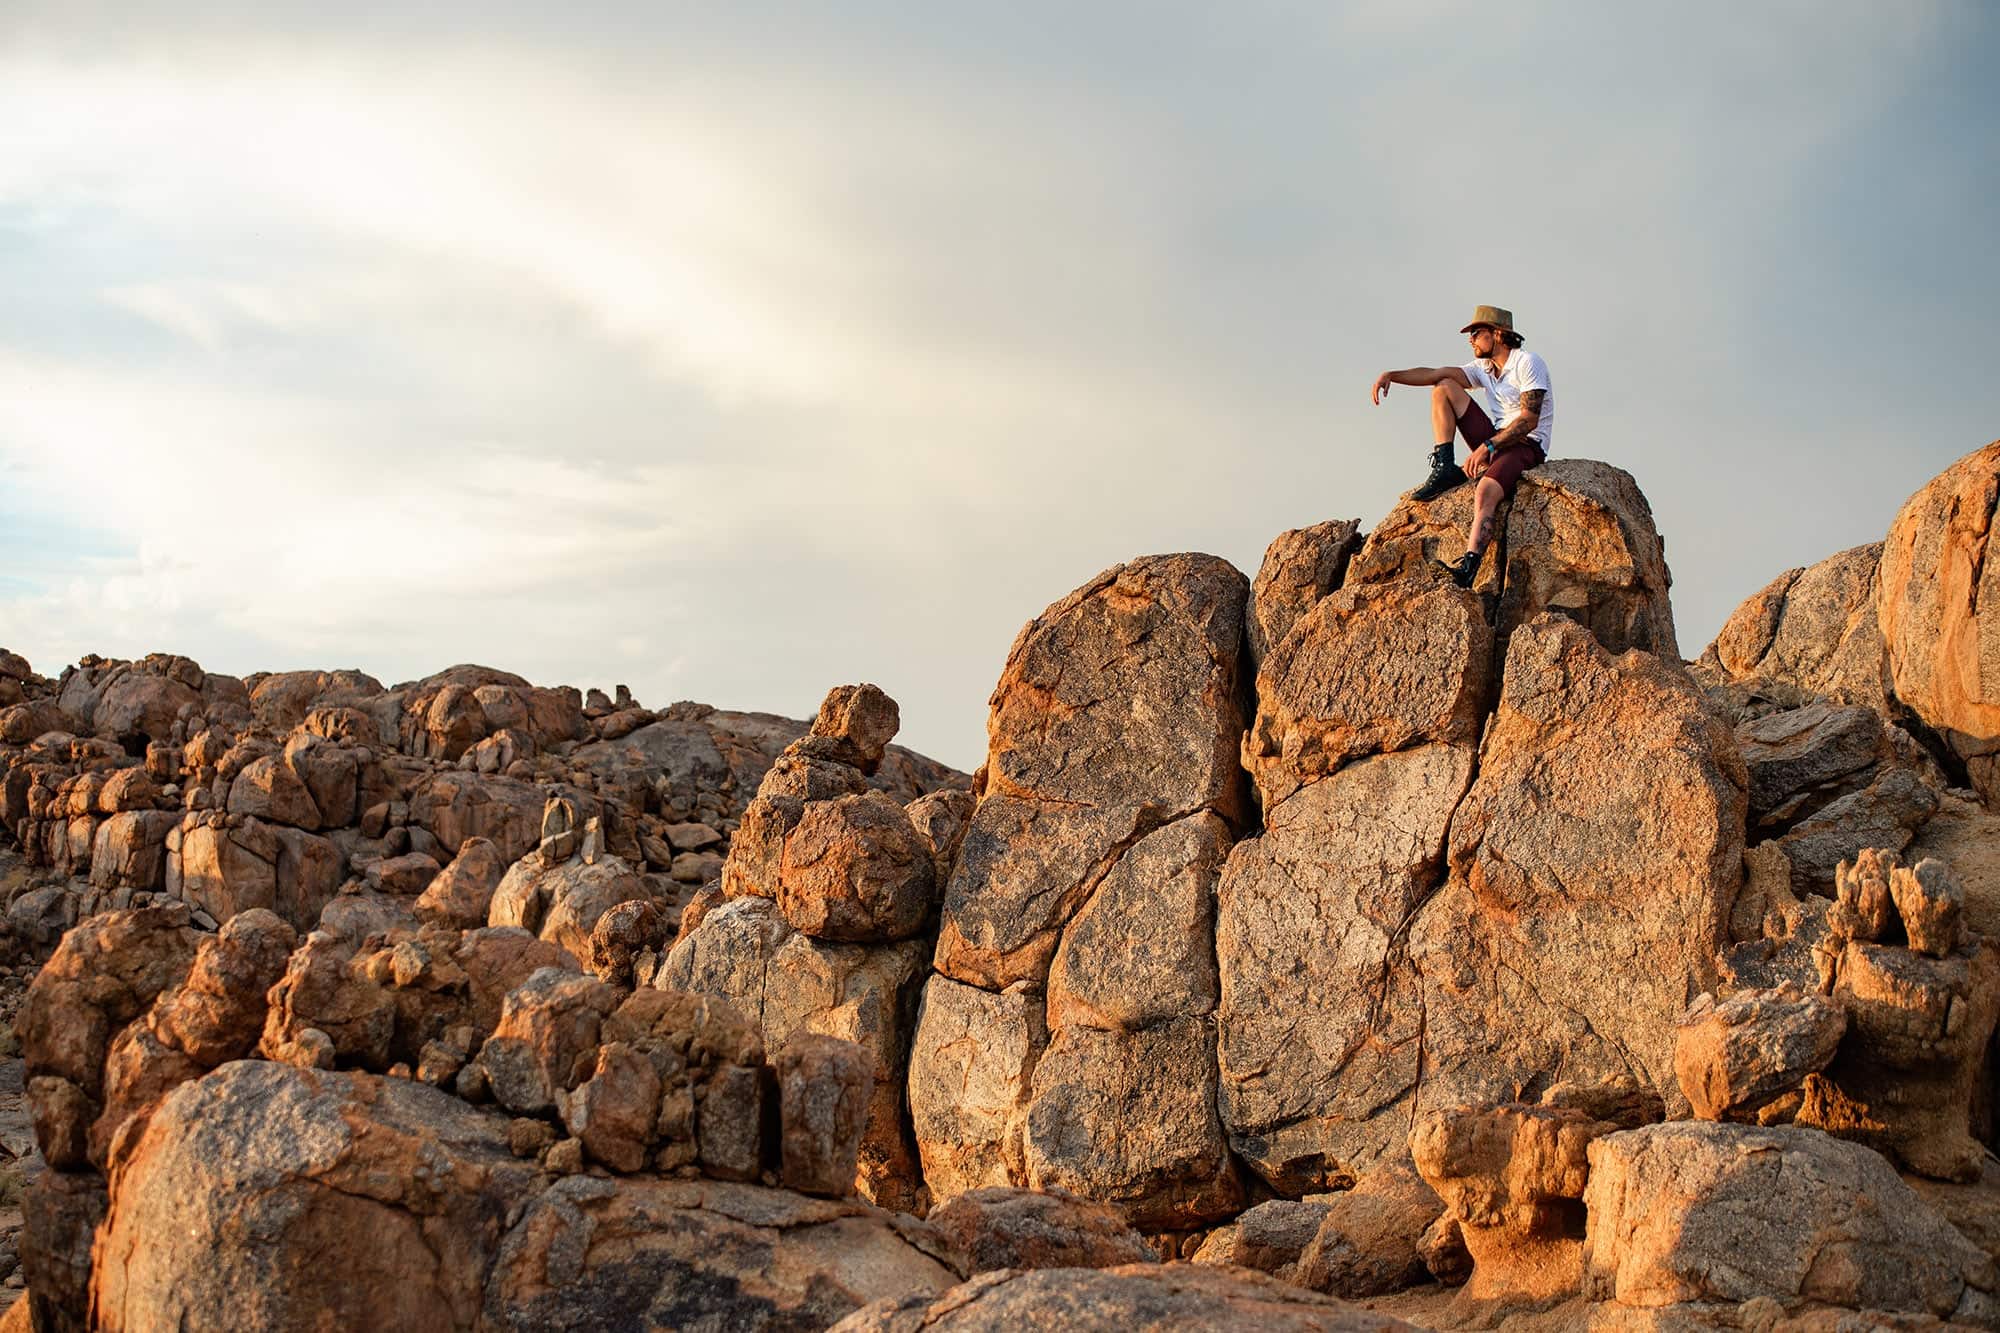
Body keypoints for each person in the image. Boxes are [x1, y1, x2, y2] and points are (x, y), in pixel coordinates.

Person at [1369, 305, 1554, 588]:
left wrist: (1487, 448)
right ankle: (1444, 466)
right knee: (1443, 386)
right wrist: (1392, 375)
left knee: (1486, 490)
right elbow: (1436, 373)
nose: (1471, 339)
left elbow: (1529, 420)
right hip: (1496, 438)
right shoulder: (1486, 368)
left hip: (1525, 445)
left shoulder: (1527, 362)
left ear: (1498, 334)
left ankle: (1468, 568)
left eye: (1477, 333)